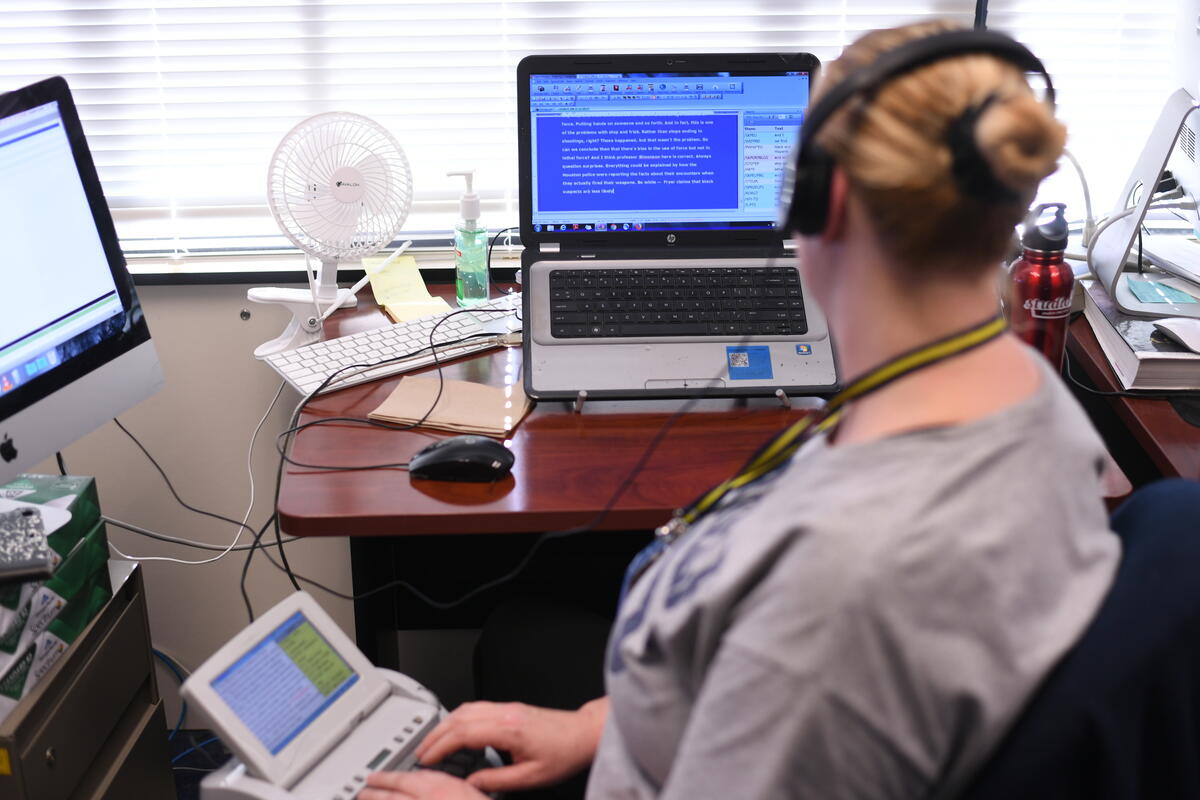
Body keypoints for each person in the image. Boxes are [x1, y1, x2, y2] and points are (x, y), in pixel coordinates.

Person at [360, 19, 1120, 800]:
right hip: (686, 715)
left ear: (826, 202)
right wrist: (594, 726)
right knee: (525, 632)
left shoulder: (832, 590)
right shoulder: (1032, 403)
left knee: (513, 640)